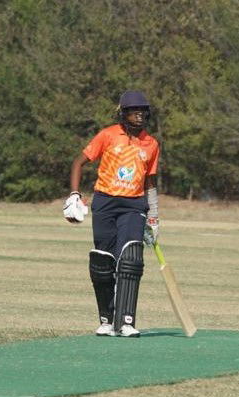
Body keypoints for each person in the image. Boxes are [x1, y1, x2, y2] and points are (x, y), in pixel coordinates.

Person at [64, 90, 160, 338]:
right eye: (133, 110)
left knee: (130, 259)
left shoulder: (151, 144)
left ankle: (126, 321)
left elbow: (150, 182)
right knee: (103, 261)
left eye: (142, 110)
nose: (139, 114)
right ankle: (107, 320)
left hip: (134, 205)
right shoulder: (108, 135)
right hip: (105, 202)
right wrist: (74, 194)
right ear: (123, 113)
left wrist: (154, 217)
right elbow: (78, 163)